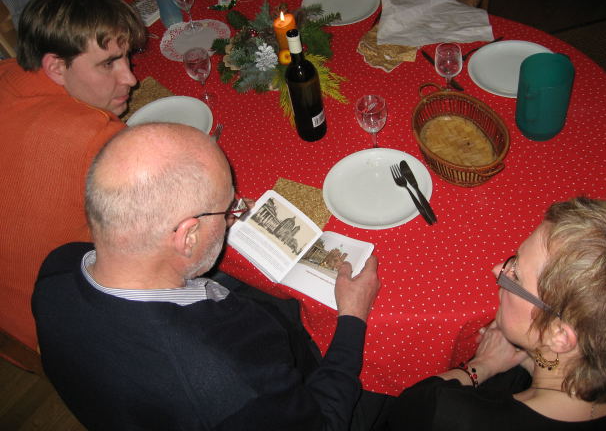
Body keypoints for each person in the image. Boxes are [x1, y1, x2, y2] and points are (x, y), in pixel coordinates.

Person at [32, 123, 383, 430]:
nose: (233, 215)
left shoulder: (57, 269)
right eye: (227, 208)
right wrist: (352, 318)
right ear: (187, 236)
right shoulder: (232, 379)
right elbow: (323, 422)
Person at [386, 196, 606, 429]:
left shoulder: (451, 415)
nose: (498, 270)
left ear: (559, 336)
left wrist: (482, 366)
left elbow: (414, 404)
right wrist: (535, 358)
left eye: (516, 275)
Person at [0, 0, 145, 365]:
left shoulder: (8, 70)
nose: (130, 78)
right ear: (56, 66)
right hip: (65, 330)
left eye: (126, 57)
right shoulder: (94, 137)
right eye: (108, 64)